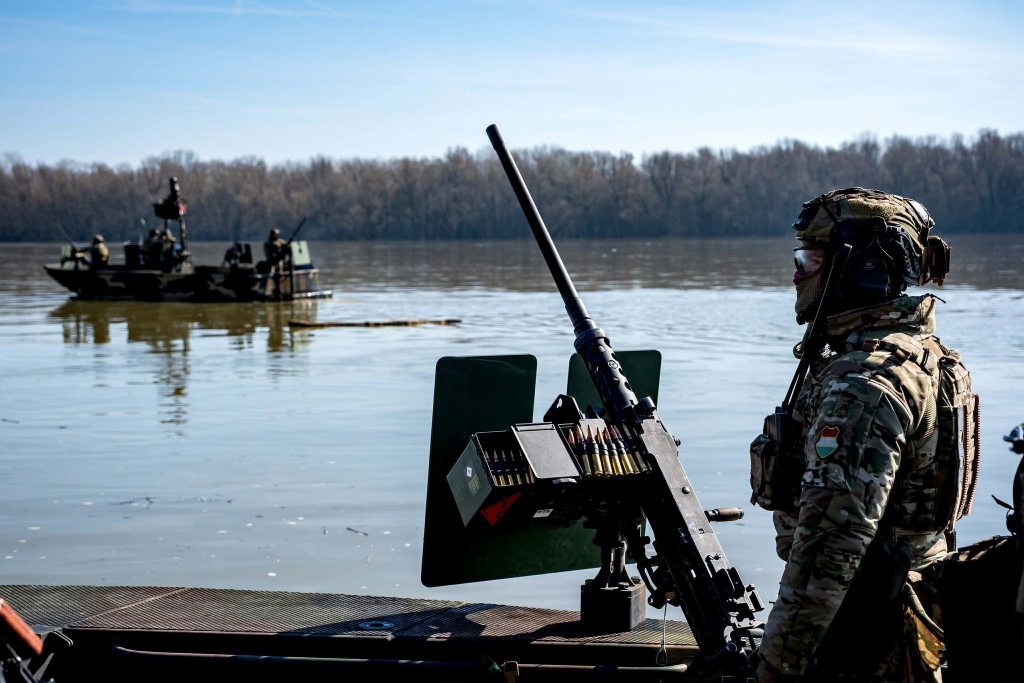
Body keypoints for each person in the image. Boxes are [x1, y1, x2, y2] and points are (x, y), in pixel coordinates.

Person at [750, 188, 975, 682]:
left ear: (859, 268)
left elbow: (828, 554)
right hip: (911, 619)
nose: (798, 274)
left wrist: (775, 668)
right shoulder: (921, 354)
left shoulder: (864, 386)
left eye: (811, 260)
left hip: (862, 638)